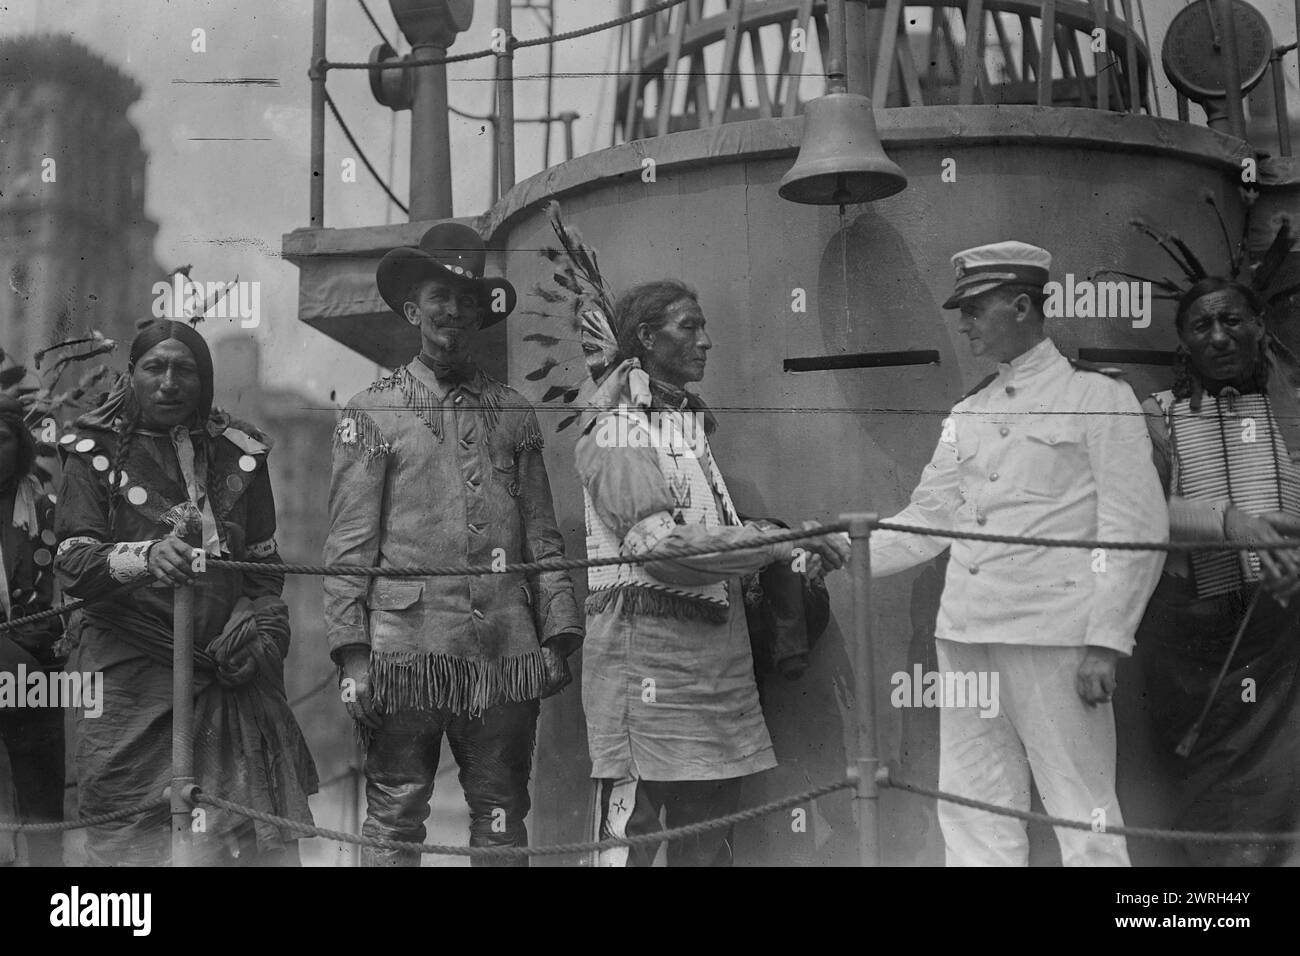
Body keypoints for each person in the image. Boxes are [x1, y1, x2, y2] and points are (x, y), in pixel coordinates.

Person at [867, 241, 1169, 866]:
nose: (965, 324)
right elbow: (930, 518)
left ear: (1023, 305)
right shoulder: (968, 412)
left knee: (1082, 812)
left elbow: (1135, 527)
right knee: (973, 809)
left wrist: (1107, 641)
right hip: (967, 634)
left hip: (1056, 639)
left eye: (975, 309)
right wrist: (842, 550)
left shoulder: (1098, 398)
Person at [324, 222, 583, 867]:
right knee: (395, 818)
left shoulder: (514, 412)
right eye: (440, 297)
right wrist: (353, 661)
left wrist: (557, 637)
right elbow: (349, 549)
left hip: (505, 653)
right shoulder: (370, 413)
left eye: (468, 301)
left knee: (501, 817)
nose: (454, 313)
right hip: (404, 657)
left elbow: (542, 535)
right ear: (413, 309)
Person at [575, 278, 850, 867]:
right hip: (644, 680)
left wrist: (786, 546)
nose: (706, 341)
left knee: (710, 851)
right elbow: (656, 546)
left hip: (718, 682)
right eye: (689, 327)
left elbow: (712, 529)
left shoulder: (685, 429)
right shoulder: (618, 427)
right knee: (630, 847)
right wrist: (772, 542)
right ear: (647, 338)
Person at [54, 319, 318, 866]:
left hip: (226, 671)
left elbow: (264, 571)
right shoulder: (92, 451)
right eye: (155, 367)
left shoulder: (240, 454)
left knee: (236, 837)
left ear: (205, 382)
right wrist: (145, 558)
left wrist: (256, 626)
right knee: (125, 834)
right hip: (128, 674)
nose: (169, 382)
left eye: (185, 370)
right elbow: (74, 562)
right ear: (131, 376)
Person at [1136, 275, 1300, 865]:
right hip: (1195, 644)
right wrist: (1230, 525)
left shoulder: (1295, 411)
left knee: (1280, 789)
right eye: (1201, 325)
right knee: (1209, 796)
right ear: (1183, 340)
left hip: (1285, 631)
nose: (1219, 336)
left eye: (1233, 320)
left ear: (1259, 327)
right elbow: (1138, 515)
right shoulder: (1160, 416)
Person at [0, 394, 64, 866]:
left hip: (34, 656)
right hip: (18, 665)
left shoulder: (43, 507)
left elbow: (57, 588)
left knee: (42, 791)